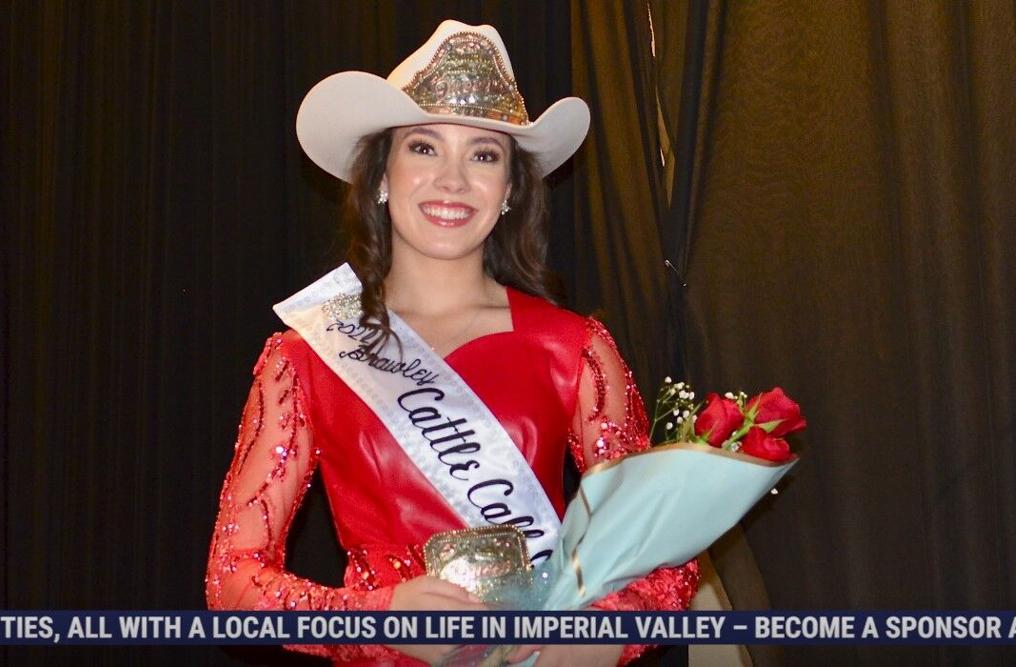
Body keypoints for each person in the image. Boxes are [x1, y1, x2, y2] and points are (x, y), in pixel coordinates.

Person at [205, 20, 699, 666]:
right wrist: (380, 618)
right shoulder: (304, 358)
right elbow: (232, 579)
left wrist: (570, 649)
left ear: (511, 190)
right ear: (381, 174)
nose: (454, 179)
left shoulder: (574, 349)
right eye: (425, 148)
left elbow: (661, 564)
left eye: (484, 155)